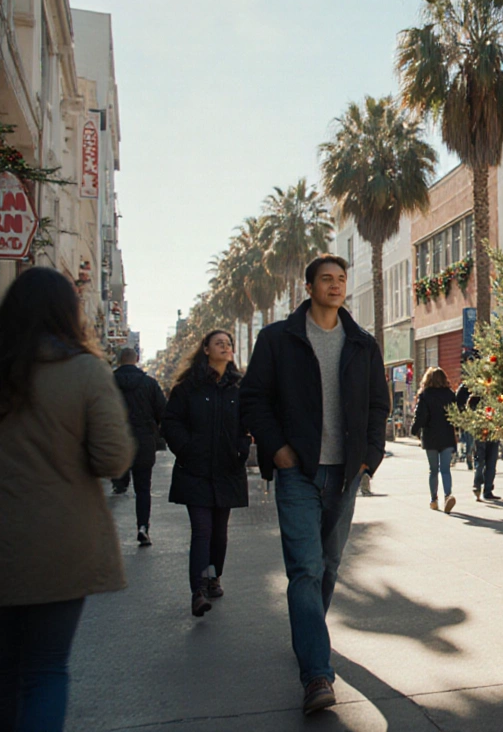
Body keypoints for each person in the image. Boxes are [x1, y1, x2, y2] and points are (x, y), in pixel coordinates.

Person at [240, 254, 389, 715]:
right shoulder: (277, 339)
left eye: (341, 279)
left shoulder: (362, 342)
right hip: (299, 471)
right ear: (309, 287)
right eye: (326, 279)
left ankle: (309, 636)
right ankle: (317, 674)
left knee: (328, 563)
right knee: (304, 568)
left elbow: (377, 406)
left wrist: (368, 458)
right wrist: (279, 451)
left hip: (345, 472)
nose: (336, 285)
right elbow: (253, 400)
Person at [0, 267, 134, 732]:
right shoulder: (84, 370)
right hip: (61, 541)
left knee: (0, 673)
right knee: (45, 669)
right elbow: (113, 457)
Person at [162, 330, 251, 617]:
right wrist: (186, 448)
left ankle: (214, 576)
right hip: (195, 470)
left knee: (219, 533)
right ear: (206, 349)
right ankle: (197, 590)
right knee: (202, 530)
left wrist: (242, 446)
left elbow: (248, 423)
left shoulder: (239, 388)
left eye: (228, 344)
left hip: (227, 469)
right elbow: (171, 422)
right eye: (219, 343)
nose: (225, 347)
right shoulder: (188, 387)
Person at [110, 346, 167, 546]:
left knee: (115, 484)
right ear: (137, 359)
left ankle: (110, 533)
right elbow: (163, 412)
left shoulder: (107, 383)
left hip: (116, 440)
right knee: (143, 488)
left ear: (118, 361)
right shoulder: (149, 384)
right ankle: (143, 527)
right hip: (143, 440)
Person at [411, 367, 464, 512]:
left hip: (430, 437)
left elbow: (420, 416)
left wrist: (414, 430)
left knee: (433, 470)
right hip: (447, 436)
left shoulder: (425, 395)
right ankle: (447, 496)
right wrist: (458, 431)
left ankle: (434, 500)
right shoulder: (450, 394)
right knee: (445, 469)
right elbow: (456, 415)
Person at [464, 378, 502, 503]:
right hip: (486, 431)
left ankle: (481, 488)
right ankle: (485, 489)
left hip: (485, 431)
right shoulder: (492, 395)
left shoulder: (477, 395)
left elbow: (468, 408)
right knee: (488, 461)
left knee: (483, 461)